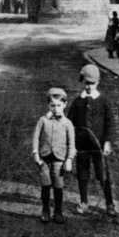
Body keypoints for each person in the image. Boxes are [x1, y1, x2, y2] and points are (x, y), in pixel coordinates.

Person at [67, 64, 116, 217]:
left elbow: (110, 123)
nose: (89, 87)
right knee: (82, 174)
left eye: (92, 83)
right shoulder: (77, 102)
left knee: (103, 175)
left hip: (99, 146)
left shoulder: (104, 101)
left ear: (98, 83)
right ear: (82, 82)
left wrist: (107, 141)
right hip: (81, 145)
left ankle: (109, 203)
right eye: (86, 83)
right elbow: (69, 123)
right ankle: (84, 202)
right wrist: (71, 144)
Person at [32, 87, 75, 224]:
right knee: (45, 185)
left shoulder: (68, 123)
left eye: (59, 105)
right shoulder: (43, 120)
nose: (56, 108)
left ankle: (58, 211)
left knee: (58, 185)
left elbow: (71, 144)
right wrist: (36, 153)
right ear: (48, 105)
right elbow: (35, 138)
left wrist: (69, 160)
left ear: (64, 104)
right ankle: (45, 210)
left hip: (59, 159)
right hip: (44, 158)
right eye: (52, 105)